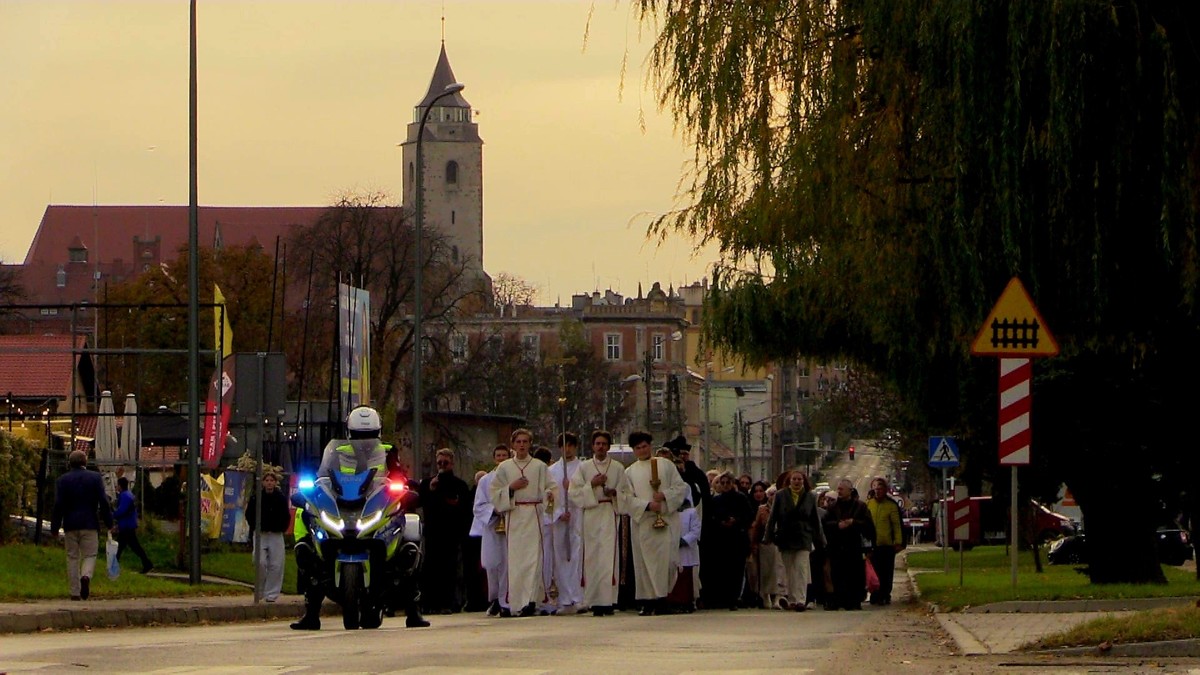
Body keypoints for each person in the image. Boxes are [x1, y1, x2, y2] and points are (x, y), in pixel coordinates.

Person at [291, 406, 428, 629]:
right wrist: (314, 488)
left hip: (373, 505)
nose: (363, 441)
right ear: (349, 433)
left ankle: (414, 611)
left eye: (369, 435)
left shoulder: (387, 451)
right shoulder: (337, 451)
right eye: (358, 436)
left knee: (410, 535)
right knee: (308, 542)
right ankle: (311, 614)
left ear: (378, 433)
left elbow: (396, 475)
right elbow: (324, 474)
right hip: (343, 506)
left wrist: (402, 487)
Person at [618, 430, 689, 616]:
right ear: (633, 450)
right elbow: (626, 498)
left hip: (666, 520)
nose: (642, 450)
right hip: (644, 523)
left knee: (667, 562)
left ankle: (663, 599)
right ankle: (648, 601)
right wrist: (648, 505)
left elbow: (680, 488)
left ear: (650, 445)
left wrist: (664, 495)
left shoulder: (666, 465)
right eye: (638, 448)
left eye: (645, 446)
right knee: (645, 563)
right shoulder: (629, 472)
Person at [489, 428, 552, 617]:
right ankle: (517, 601)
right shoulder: (505, 467)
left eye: (525, 441)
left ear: (530, 444)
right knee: (516, 560)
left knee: (533, 558)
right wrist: (511, 488)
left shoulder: (539, 466)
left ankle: (531, 600)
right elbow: (494, 492)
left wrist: (548, 495)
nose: (522, 445)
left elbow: (551, 487)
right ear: (513, 444)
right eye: (518, 442)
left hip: (533, 514)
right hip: (515, 514)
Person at [568, 429, 627, 617]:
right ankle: (593, 600)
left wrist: (615, 493)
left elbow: (626, 492)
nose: (601, 447)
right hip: (591, 513)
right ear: (592, 446)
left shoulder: (617, 468)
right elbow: (573, 493)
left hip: (609, 511)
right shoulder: (584, 468)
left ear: (608, 446)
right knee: (591, 556)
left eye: (604, 444)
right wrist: (591, 485)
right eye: (598, 444)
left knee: (608, 556)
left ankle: (607, 600)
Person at [50, 449, 113, 601]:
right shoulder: (95, 478)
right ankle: (85, 576)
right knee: (90, 554)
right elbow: (103, 502)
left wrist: (55, 527)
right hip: (90, 523)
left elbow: (58, 505)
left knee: (72, 557)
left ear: (69, 463)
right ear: (85, 462)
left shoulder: (62, 480)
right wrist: (109, 522)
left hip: (70, 524)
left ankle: (74, 592)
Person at [417, 447, 472, 614]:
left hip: (451, 533)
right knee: (430, 568)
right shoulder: (427, 483)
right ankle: (429, 604)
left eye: (445, 463)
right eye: (439, 462)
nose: (442, 465)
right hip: (432, 532)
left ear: (451, 463)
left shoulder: (460, 485)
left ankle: (448, 603)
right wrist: (431, 490)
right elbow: (420, 502)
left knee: (449, 569)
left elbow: (465, 510)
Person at [765, 470, 825, 611]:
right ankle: (791, 599)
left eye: (799, 479)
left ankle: (801, 600)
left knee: (801, 569)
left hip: (804, 537)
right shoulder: (780, 495)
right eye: (794, 479)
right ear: (789, 481)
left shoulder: (811, 496)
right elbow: (773, 517)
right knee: (789, 570)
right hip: (785, 537)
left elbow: (815, 520)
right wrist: (768, 536)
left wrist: (821, 539)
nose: (797, 482)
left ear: (804, 481)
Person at [702, 471, 753, 610]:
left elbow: (749, 516)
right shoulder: (716, 500)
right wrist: (720, 522)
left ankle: (734, 598)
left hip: (737, 539)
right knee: (722, 570)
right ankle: (722, 599)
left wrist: (736, 520)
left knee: (736, 571)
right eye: (722, 483)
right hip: (721, 540)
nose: (724, 485)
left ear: (732, 483)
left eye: (727, 483)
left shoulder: (741, 498)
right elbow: (710, 518)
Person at [546, 432, 584, 614]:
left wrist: (574, 489)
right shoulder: (552, 471)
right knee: (560, 557)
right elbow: (547, 496)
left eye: (570, 445)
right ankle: (564, 600)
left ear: (575, 447)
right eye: (564, 446)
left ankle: (579, 598)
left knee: (578, 556)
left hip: (578, 515)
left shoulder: (583, 468)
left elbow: (588, 491)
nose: (567, 449)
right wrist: (559, 513)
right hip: (560, 518)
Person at [471, 443, 511, 617]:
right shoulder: (486, 480)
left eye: (504, 456)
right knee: (493, 563)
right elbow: (478, 506)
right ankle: (495, 599)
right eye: (498, 456)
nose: (501, 459)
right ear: (494, 459)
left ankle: (507, 600)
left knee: (509, 564)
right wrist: (494, 510)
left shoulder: (514, 478)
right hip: (493, 527)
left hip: (512, 526)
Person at [821, 478, 874, 610]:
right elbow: (825, 524)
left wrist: (853, 523)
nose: (839, 491)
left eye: (842, 489)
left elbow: (868, 525)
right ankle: (838, 600)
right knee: (837, 573)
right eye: (838, 489)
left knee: (854, 574)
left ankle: (854, 601)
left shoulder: (860, 506)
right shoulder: (833, 507)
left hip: (854, 546)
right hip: (837, 546)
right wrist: (837, 525)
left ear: (850, 491)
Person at [245, 471, 289, 602]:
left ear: (275, 483)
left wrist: (281, 527)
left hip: (276, 534)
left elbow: (286, 515)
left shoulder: (280, 498)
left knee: (276, 564)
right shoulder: (256, 498)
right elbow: (249, 514)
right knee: (260, 562)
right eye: (267, 480)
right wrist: (255, 526)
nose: (269, 483)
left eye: (272, 480)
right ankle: (259, 590)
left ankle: (271, 593)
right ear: (263, 482)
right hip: (261, 534)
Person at [867, 476, 904, 605]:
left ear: (885, 490)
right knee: (874, 571)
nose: (877, 491)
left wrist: (898, 542)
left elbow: (896, 525)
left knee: (886, 571)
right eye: (875, 489)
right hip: (873, 544)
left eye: (880, 489)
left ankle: (885, 593)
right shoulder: (869, 504)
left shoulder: (891, 505)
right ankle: (875, 593)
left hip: (887, 545)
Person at [111, 475, 153, 574]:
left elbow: (122, 511)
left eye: (117, 485)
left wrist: (112, 515)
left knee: (123, 547)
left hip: (126, 526)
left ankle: (113, 568)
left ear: (120, 486)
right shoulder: (129, 495)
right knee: (129, 546)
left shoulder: (125, 496)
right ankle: (147, 564)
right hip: (128, 525)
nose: (116, 487)